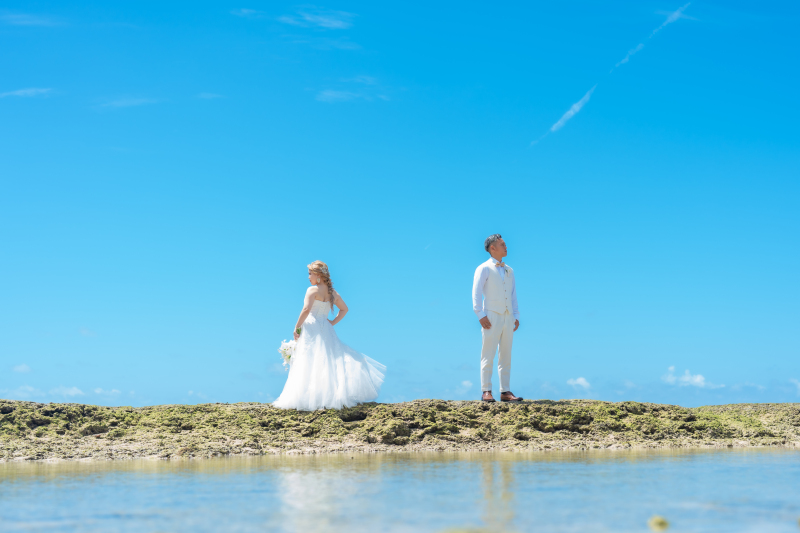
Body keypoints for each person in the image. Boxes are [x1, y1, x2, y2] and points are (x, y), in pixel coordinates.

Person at [273, 261, 385, 411]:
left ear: (318, 275)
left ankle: (308, 398)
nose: (308, 277)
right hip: (326, 328)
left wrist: (297, 326)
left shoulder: (312, 290)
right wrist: (332, 323)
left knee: (309, 360)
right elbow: (344, 309)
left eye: (310, 273)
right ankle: (327, 397)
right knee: (328, 361)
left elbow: (306, 309)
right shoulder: (333, 293)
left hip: (311, 326)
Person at [471, 234, 523, 402]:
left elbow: (513, 295)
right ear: (493, 248)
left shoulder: (510, 270)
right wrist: (480, 315)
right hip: (491, 315)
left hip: (508, 316)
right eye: (502, 244)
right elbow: (476, 292)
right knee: (488, 354)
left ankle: (505, 391)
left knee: (506, 354)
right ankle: (486, 390)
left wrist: (516, 315)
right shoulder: (484, 268)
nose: (506, 247)